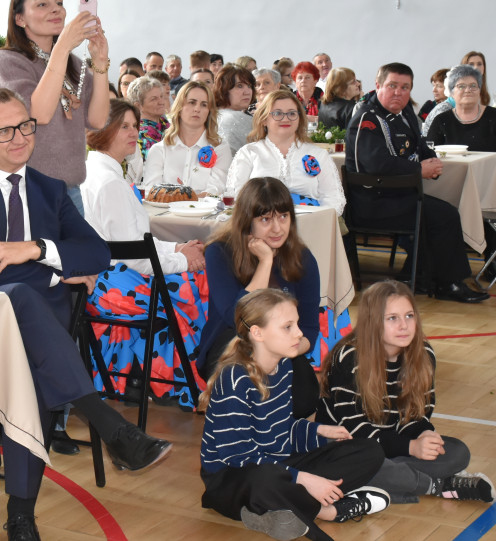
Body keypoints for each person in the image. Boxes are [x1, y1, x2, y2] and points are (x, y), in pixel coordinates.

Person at [0, 88, 172, 540]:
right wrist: (59, 270)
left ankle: (21, 517)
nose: (19, 137)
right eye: (3, 131)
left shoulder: (48, 188)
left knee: (31, 357)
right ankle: (106, 425)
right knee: (17, 296)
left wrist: (34, 248)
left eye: (24, 125)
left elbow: (97, 253)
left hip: (36, 335)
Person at [199, 288, 389, 541]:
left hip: (279, 464)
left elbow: (279, 431)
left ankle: (289, 507)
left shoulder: (284, 365)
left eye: (297, 324)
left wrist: (317, 432)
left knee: (368, 451)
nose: (299, 333)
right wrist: (305, 479)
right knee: (267, 480)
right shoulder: (234, 378)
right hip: (232, 480)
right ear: (258, 333)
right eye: (288, 326)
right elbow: (238, 457)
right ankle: (326, 510)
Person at [318, 280, 494, 504]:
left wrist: (423, 435)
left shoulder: (423, 355)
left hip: (394, 444)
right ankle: (438, 485)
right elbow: (355, 429)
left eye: (409, 316)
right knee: (366, 462)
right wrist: (411, 447)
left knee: (459, 452)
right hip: (351, 447)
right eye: (392, 318)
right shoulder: (349, 358)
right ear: (372, 322)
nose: (404, 325)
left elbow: (416, 414)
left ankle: (380, 483)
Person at [81, 99, 208, 409]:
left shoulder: (93, 171)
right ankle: (183, 380)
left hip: (107, 277)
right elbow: (135, 258)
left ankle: (152, 375)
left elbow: (134, 242)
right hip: (114, 286)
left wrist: (177, 249)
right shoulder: (110, 182)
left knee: (193, 273)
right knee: (199, 283)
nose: (133, 132)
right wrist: (183, 260)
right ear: (103, 129)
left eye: (134, 126)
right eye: (124, 126)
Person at [345, 62, 487, 303]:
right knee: (445, 215)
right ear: (378, 86)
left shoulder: (406, 113)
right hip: (372, 202)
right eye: (392, 86)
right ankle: (448, 284)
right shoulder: (366, 118)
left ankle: (421, 276)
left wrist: (430, 160)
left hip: (398, 195)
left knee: (442, 209)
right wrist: (418, 169)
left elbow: (419, 144)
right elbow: (374, 164)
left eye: (405, 87)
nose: (398, 92)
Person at [198, 177, 340, 406]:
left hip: (282, 347)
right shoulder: (220, 251)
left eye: (283, 217)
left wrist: (290, 348)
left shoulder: (302, 258)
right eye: (265, 219)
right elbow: (238, 320)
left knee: (304, 398)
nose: (277, 228)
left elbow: (310, 330)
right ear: (247, 222)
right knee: (248, 392)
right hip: (232, 344)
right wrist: (265, 263)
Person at [0, 0, 111, 213]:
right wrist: (62, 46)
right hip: (24, 191)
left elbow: (98, 120)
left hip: (70, 191)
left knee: (75, 251)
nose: (56, 10)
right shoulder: (6, 62)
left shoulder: (72, 63)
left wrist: (100, 63)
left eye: (59, 3)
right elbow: (37, 114)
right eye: (42, 4)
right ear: (19, 18)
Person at [227, 90, 345, 213]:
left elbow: (333, 199)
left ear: (299, 118)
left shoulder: (319, 155)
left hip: (309, 224)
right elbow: (237, 197)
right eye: (277, 113)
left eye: (292, 113)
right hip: (262, 224)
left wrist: (315, 221)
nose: (285, 119)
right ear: (264, 120)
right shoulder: (249, 153)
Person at [142, 80, 232, 196]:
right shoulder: (159, 150)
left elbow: (217, 189)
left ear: (209, 112)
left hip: (206, 213)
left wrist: (185, 196)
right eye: (192, 102)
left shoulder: (220, 148)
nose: (197, 109)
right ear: (179, 108)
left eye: (204, 105)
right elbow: (151, 191)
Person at [425, 64, 496, 152]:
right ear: (451, 92)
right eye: (461, 86)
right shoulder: (441, 120)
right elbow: (429, 156)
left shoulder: (493, 116)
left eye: (473, 86)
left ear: (479, 90)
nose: (468, 90)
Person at [213, 64, 256, 155]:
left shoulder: (212, 114)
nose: (247, 92)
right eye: (240, 86)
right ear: (224, 89)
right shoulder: (235, 118)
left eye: (249, 86)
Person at [127, 76, 171, 159]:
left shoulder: (165, 123)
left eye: (161, 96)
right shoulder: (140, 135)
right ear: (138, 106)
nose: (161, 102)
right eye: (154, 99)